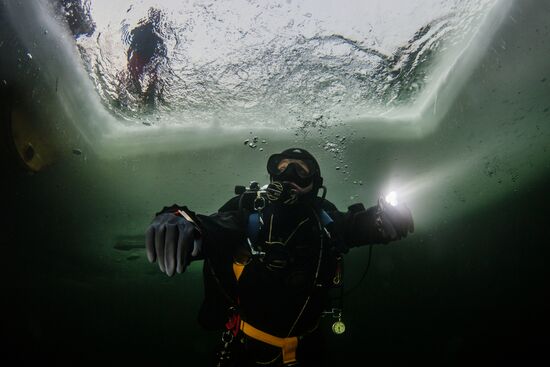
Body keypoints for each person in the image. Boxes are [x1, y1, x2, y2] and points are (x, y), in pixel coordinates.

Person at [145, 147, 414, 366]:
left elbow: (357, 225)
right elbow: (212, 227)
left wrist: (384, 220)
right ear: (272, 175)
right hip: (248, 350)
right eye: (282, 167)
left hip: (311, 347)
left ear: (314, 183)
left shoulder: (326, 221)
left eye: (302, 170)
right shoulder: (249, 214)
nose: (290, 175)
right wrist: (177, 218)